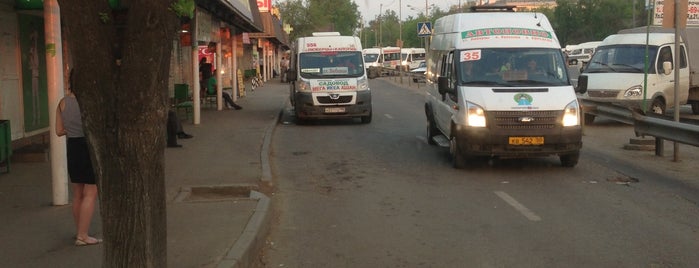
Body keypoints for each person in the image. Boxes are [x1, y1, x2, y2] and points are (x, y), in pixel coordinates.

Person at [55, 86, 102, 246]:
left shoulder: (62, 103)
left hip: (73, 147)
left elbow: (59, 131)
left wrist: (72, 129)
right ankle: (83, 236)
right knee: (91, 193)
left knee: (78, 193)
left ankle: (80, 230)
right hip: (89, 146)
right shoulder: (91, 102)